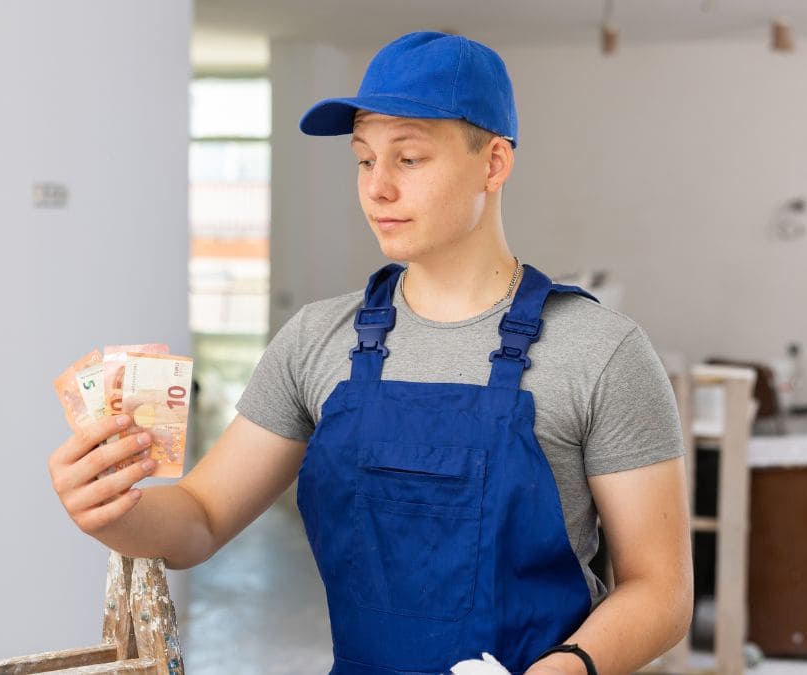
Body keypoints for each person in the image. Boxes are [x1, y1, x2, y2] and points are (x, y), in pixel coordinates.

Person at [48, 31, 692, 675]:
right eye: (363, 159)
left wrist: (565, 668)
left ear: (494, 164)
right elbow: (200, 519)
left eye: (408, 159)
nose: (377, 188)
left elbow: (661, 592)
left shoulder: (601, 351)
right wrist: (113, 512)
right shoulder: (315, 340)